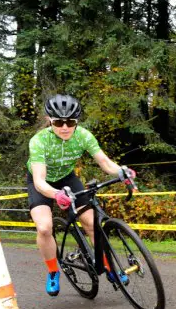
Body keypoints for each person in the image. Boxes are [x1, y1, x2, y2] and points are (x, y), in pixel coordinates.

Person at [27, 94, 136, 296]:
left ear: (76, 121)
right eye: (58, 122)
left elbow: (104, 162)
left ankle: (108, 266)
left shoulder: (83, 135)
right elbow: (40, 181)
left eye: (70, 122)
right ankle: (53, 271)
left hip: (67, 178)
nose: (65, 127)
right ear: (49, 120)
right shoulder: (39, 141)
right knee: (44, 228)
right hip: (43, 182)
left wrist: (121, 171)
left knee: (92, 223)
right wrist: (56, 193)